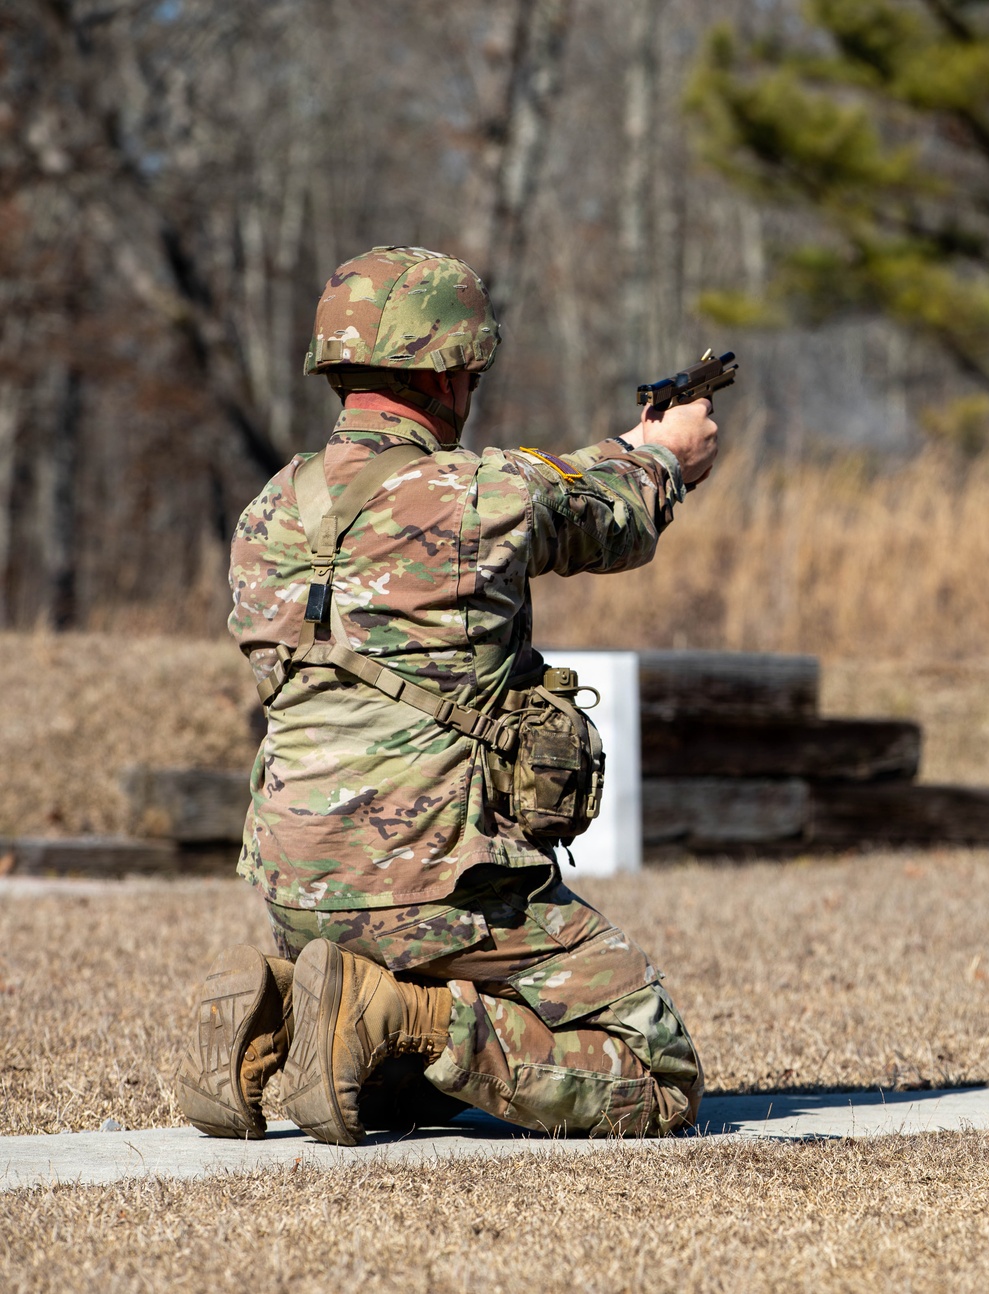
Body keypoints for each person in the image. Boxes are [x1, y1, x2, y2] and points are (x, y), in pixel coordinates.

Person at [176, 244, 717, 1145]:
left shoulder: (267, 511)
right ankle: (400, 1012)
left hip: (297, 890)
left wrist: (631, 445)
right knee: (658, 1079)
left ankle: (282, 1006)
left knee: (409, 1079)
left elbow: (548, 482)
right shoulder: (482, 494)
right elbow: (609, 514)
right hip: (444, 885)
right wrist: (665, 459)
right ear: (449, 372)